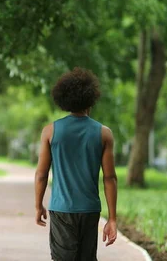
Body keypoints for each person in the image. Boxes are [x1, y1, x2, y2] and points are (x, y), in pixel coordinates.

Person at [34, 67, 118, 261]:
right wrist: (112, 218)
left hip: (61, 209)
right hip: (89, 209)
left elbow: (41, 175)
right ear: (91, 99)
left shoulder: (50, 131)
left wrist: (38, 206)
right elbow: (110, 178)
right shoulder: (104, 133)